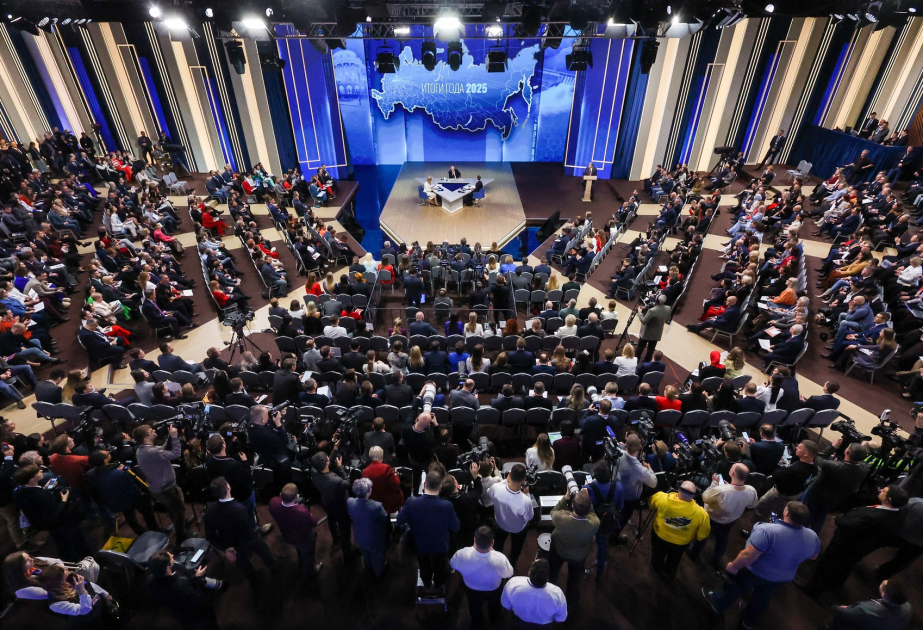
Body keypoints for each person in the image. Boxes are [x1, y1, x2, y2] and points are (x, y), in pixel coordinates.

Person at [703, 501, 820, 629]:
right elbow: (813, 556)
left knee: (734, 586)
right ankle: (748, 620)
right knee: (762, 598)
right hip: (781, 577)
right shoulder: (813, 536)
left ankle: (718, 603)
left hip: (754, 570)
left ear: (786, 512)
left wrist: (733, 566)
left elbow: (748, 556)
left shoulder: (766, 530)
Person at [806, 484, 909, 593]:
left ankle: (813, 589)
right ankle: (835, 584)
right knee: (845, 566)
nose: (881, 490)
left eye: (884, 491)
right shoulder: (898, 512)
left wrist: (838, 518)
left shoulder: (877, 517)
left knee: (827, 565)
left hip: (845, 544)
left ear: (889, 500)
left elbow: (848, 525)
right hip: (859, 548)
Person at [203, 477, 276, 589]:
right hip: (248, 539)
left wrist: (226, 548)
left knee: (242, 562)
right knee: (263, 549)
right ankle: (273, 567)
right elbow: (246, 530)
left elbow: (210, 536)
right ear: (228, 487)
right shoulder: (239, 508)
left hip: (230, 544)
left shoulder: (209, 512)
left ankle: (254, 580)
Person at [397, 471, 460, 593]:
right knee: (440, 567)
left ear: (425, 484)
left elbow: (400, 520)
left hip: (420, 544)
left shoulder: (411, 502)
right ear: (440, 487)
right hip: (441, 545)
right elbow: (456, 527)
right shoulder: (447, 505)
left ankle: (426, 582)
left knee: (424, 565)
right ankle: (438, 584)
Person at [12, 465, 89, 561]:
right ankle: (80, 558)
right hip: (59, 523)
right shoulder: (41, 495)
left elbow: (36, 501)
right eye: (37, 472)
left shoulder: (19, 492)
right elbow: (54, 514)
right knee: (70, 541)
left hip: (42, 523)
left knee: (59, 540)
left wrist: (45, 488)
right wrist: (64, 501)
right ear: (32, 480)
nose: (41, 471)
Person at [691, 464, 758, 570]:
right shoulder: (751, 490)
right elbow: (752, 505)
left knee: (703, 535)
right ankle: (715, 559)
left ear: (732, 473)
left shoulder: (721, 490)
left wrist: (714, 483)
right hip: (731, 520)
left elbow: (705, 497)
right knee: (722, 539)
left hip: (711, 518)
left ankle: (694, 553)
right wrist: (729, 487)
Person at [133, 424, 190, 542]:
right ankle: (181, 535)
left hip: (156, 487)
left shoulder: (141, 450)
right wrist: (174, 437)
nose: (154, 430)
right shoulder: (152, 451)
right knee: (179, 510)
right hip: (166, 488)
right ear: (146, 438)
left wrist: (170, 436)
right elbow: (176, 454)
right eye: (151, 431)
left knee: (172, 508)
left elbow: (162, 449)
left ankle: (179, 524)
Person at [451, 526, 515, 627]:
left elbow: (453, 564)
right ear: (492, 542)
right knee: (494, 607)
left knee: (474, 606)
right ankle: (493, 621)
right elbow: (509, 574)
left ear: (474, 540)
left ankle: (477, 623)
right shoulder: (500, 559)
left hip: (470, 587)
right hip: (493, 589)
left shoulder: (461, 554)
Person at [146, 550, 226, 630]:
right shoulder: (180, 585)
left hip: (179, 612)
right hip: (197, 615)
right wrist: (198, 577)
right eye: (171, 557)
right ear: (168, 567)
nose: (173, 555)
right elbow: (199, 598)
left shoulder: (149, 581)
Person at [648, 480, 710, 581]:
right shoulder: (702, 514)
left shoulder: (661, 497)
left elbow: (650, 504)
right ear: (694, 495)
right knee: (674, 559)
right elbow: (703, 534)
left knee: (657, 554)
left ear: (678, 489)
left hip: (660, 536)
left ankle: (656, 570)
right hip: (681, 543)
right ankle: (668, 572)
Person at [802, 441, 870, 532]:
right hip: (835, 499)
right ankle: (813, 533)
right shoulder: (865, 468)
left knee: (804, 511)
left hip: (817, 495)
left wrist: (832, 446)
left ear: (847, 452)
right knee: (820, 517)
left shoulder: (833, 466)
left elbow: (817, 458)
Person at [549, 486, 599, 603]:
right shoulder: (594, 523)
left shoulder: (561, 518)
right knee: (574, 579)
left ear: (572, 505)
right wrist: (586, 500)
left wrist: (566, 497)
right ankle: (570, 601)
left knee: (553, 572)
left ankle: (550, 592)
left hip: (558, 550)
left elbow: (553, 511)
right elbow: (592, 514)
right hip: (579, 556)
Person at [267, 483, 322, 581]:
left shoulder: (273, 502)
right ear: (297, 496)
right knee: (309, 555)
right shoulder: (302, 512)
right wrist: (307, 512)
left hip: (287, 535)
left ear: (280, 495)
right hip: (303, 538)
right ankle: (310, 573)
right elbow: (314, 523)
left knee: (298, 549)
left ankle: (301, 562)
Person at [486, 463, 534, 569]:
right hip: (518, 528)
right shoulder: (526, 501)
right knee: (516, 548)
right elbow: (529, 518)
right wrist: (527, 494)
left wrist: (504, 481)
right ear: (524, 480)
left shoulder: (496, 488)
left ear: (509, 474)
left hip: (500, 523)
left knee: (498, 545)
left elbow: (489, 493)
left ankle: (497, 562)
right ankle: (512, 564)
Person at [310, 449, 354, 560]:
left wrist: (335, 447)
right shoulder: (335, 480)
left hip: (326, 502)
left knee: (331, 519)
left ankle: (335, 537)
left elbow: (324, 462)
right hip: (340, 506)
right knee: (345, 529)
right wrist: (340, 467)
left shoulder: (313, 471)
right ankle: (348, 554)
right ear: (327, 463)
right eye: (328, 459)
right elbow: (348, 483)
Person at [501, 558, 567, 626]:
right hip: (543, 626)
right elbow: (561, 618)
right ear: (547, 578)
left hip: (518, 622)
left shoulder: (514, 583)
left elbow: (506, 604)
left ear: (529, 572)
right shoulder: (557, 594)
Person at [347, 478, 390, 578]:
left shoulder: (350, 502)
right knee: (377, 556)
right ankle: (379, 573)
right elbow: (384, 518)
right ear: (368, 492)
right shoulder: (377, 506)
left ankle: (369, 566)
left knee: (366, 552)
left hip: (359, 535)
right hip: (374, 538)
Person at [828, 580, 912, 630]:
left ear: (884, 595)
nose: (884, 581)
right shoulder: (908, 607)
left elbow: (845, 613)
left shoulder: (868, 610)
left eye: (883, 585)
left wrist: (836, 608)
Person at [362, 446, 404, 515]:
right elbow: (396, 484)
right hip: (387, 502)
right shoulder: (387, 468)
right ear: (381, 456)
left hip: (372, 501)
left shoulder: (365, 471)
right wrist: (395, 474)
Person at [636, 295, 671, 362]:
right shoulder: (668, 308)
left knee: (640, 349)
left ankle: (636, 361)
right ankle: (646, 362)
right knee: (651, 350)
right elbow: (668, 319)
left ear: (657, 300)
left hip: (646, 333)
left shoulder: (652, 311)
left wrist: (639, 312)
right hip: (657, 333)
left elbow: (644, 321)